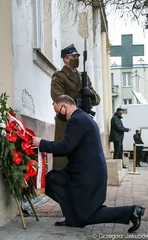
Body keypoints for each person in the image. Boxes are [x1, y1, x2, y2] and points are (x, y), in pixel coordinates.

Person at [32, 95, 145, 233]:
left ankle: (132, 211)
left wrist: (41, 143)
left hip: (88, 177)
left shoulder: (77, 120)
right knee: (52, 180)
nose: (57, 115)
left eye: (57, 111)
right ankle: (73, 217)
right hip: (80, 172)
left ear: (65, 107)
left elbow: (66, 147)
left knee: (87, 216)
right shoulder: (83, 118)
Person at [50, 44, 100, 169]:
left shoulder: (84, 78)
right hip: (66, 121)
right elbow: (58, 98)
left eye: (77, 56)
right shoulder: (59, 76)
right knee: (64, 158)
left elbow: (97, 100)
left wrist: (90, 95)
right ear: (65, 59)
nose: (76, 58)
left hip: (83, 120)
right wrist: (78, 103)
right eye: (73, 56)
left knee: (83, 155)